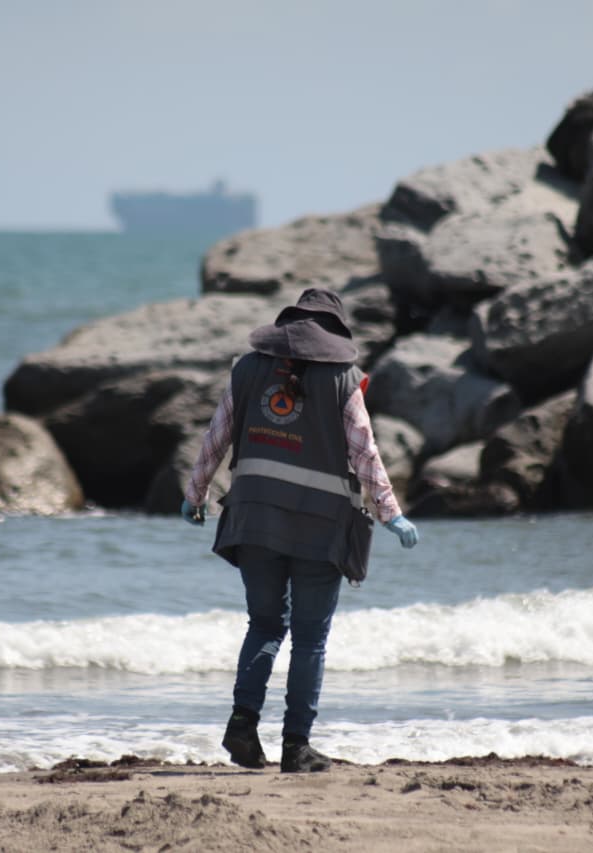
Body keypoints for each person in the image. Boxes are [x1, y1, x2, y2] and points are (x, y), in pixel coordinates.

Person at [181, 287, 419, 774]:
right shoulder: (344, 380)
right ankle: (297, 746)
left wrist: (195, 493)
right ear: (333, 335)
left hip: (254, 519)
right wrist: (391, 513)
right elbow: (364, 452)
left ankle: (243, 725)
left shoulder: (246, 369)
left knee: (265, 625)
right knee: (310, 639)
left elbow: (217, 435)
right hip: (321, 527)